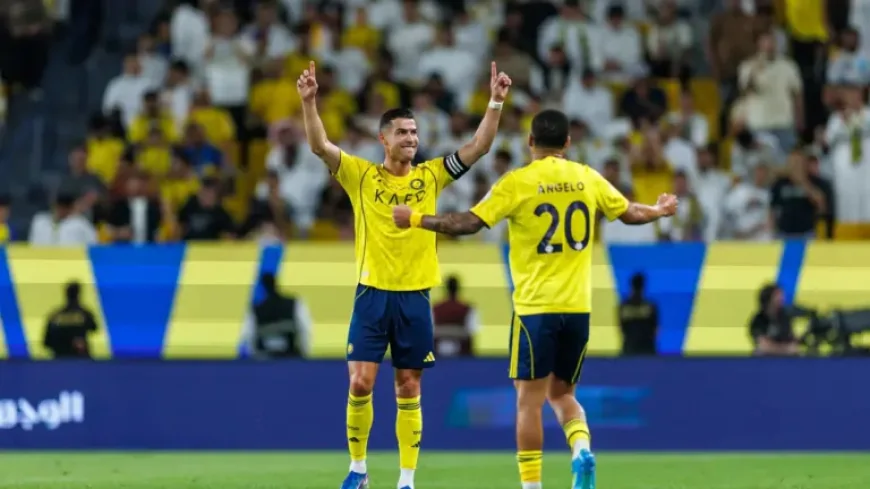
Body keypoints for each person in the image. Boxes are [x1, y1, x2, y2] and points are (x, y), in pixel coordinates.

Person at [392, 109, 678, 489]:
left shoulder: (517, 183)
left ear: (530, 143)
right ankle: (581, 450)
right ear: (567, 144)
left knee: (528, 402)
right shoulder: (586, 177)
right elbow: (629, 213)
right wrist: (659, 210)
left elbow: (468, 223)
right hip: (577, 309)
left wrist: (415, 219)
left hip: (535, 311)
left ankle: (532, 487)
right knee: (564, 393)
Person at [296, 60, 512, 489]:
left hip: (415, 297)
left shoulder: (432, 176)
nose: (411, 139)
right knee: (360, 383)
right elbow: (320, 145)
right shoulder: (360, 176)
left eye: (414, 133)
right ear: (384, 139)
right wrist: (309, 101)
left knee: (408, 387)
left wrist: (495, 101)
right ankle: (358, 470)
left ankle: (407, 480)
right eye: (403, 133)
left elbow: (480, 146)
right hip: (371, 295)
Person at [42, 281, 100, 359]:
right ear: (79, 295)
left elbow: (46, 342)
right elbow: (94, 328)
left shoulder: (55, 316)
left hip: (59, 360)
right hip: (81, 361)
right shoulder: (84, 314)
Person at [618, 273, 659, 356]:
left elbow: (622, 328)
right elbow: (655, 329)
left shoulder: (624, 307)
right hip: (644, 350)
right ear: (643, 286)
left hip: (631, 349)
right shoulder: (650, 307)